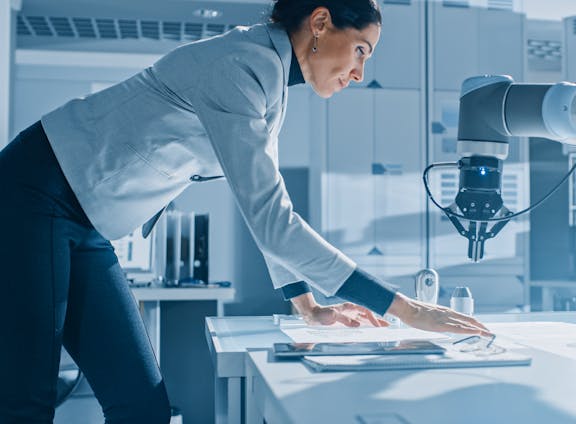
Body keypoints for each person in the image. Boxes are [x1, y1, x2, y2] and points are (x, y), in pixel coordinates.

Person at [0, 0, 491, 422]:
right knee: (28, 401)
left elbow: (266, 207)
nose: (360, 73)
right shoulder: (240, 66)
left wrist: (309, 306)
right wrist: (406, 309)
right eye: (361, 50)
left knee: (141, 408)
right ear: (320, 22)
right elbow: (275, 225)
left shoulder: (267, 83)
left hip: (85, 222)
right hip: (36, 191)